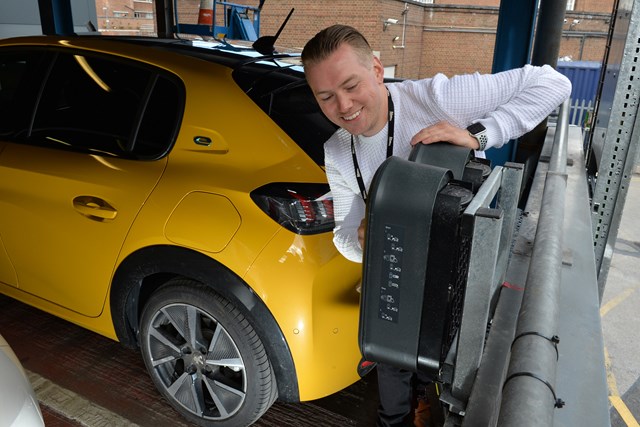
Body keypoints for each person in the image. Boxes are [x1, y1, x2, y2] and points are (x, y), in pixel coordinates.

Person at [301, 24, 571, 427]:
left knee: (448, 386)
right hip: (393, 289)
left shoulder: (437, 98)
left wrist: (480, 134)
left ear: (377, 69)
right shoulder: (337, 150)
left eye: (351, 85)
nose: (343, 106)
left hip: (452, 285)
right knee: (392, 388)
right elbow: (344, 234)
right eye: (326, 97)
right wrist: (363, 242)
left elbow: (552, 82)